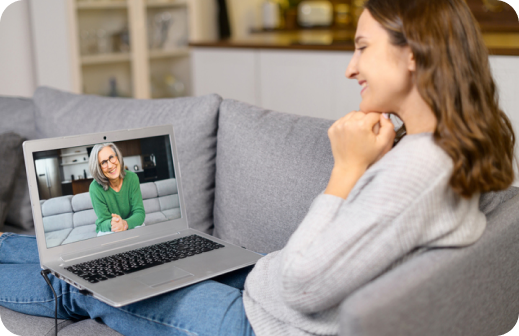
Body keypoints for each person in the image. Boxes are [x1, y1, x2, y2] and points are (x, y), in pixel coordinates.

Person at [0, 0, 516, 335]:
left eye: (362, 47)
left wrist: (346, 172)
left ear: (414, 55)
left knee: (78, 281)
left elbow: (302, 286)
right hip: (268, 284)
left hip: (259, 322)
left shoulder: (417, 169)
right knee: (121, 251)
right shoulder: (438, 149)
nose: (351, 66)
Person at [88, 143, 145, 236]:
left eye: (111, 157)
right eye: (103, 162)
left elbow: (139, 213)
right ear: (98, 168)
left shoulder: (132, 178)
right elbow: (103, 222)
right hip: (110, 228)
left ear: (117, 157)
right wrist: (114, 223)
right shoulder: (95, 188)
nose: (110, 165)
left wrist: (125, 224)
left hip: (131, 223)